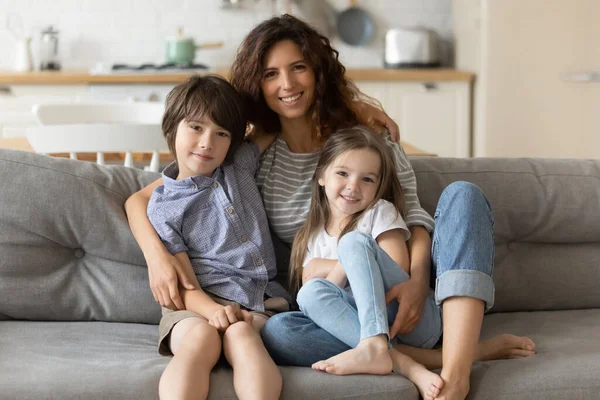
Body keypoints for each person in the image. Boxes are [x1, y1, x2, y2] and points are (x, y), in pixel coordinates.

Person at [125, 15, 536, 400]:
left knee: (463, 194)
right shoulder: (251, 155)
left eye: (299, 67)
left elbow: (411, 214)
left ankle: (458, 371)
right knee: (281, 331)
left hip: (401, 288)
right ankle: (410, 358)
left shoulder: (365, 142)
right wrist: (157, 257)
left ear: (319, 71)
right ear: (258, 85)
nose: (287, 83)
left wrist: (415, 278)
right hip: (341, 309)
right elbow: (159, 195)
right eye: (270, 73)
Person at [145, 74, 291, 400]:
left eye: (221, 133)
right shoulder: (163, 207)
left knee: (241, 336)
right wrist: (212, 311)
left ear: (234, 141)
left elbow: (276, 120)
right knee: (201, 340)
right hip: (195, 308)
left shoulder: (239, 164)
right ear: (172, 129)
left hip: (256, 303)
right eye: (195, 127)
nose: (207, 142)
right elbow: (183, 287)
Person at [290, 126, 444, 400]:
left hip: (408, 318)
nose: (353, 186)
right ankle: (391, 357)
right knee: (305, 297)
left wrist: (332, 266)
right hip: (357, 324)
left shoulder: (378, 213)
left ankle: (376, 346)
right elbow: (314, 295)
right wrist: (336, 272)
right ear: (321, 176)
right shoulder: (311, 234)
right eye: (342, 173)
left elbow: (397, 266)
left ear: (379, 186)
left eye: (367, 179)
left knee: (353, 243)